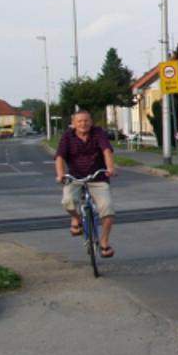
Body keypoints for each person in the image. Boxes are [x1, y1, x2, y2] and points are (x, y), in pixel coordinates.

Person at [55, 109, 118, 257]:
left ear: (91, 122)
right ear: (73, 124)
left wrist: (110, 168)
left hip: (98, 176)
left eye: (86, 121)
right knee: (68, 201)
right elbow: (59, 157)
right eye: (79, 121)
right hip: (74, 177)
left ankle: (104, 243)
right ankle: (76, 219)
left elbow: (106, 151)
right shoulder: (67, 136)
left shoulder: (98, 133)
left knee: (107, 208)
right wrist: (60, 175)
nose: (83, 124)